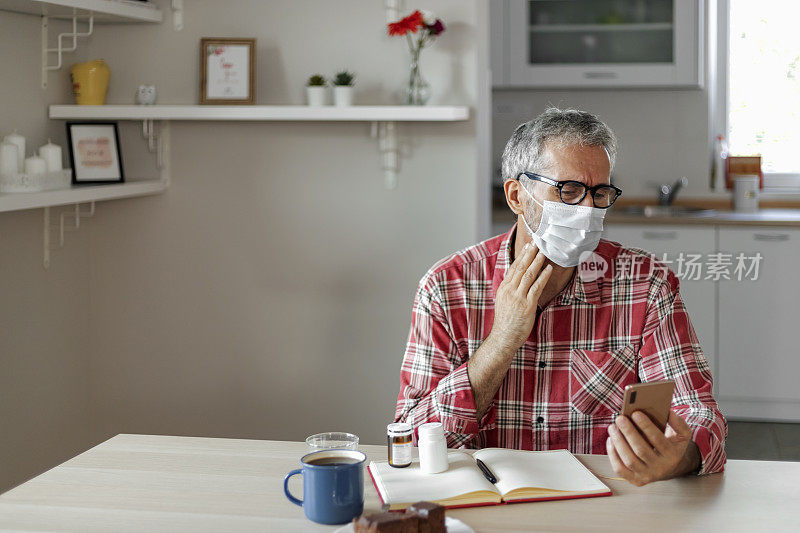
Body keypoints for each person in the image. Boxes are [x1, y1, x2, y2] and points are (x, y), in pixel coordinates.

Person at [394, 107, 726, 485]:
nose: (587, 210)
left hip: (605, 508)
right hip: (486, 508)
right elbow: (410, 441)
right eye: (569, 191)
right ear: (517, 196)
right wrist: (502, 340)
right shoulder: (446, 286)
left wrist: (677, 456)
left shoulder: (647, 285)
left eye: (600, 193)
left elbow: (700, 415)